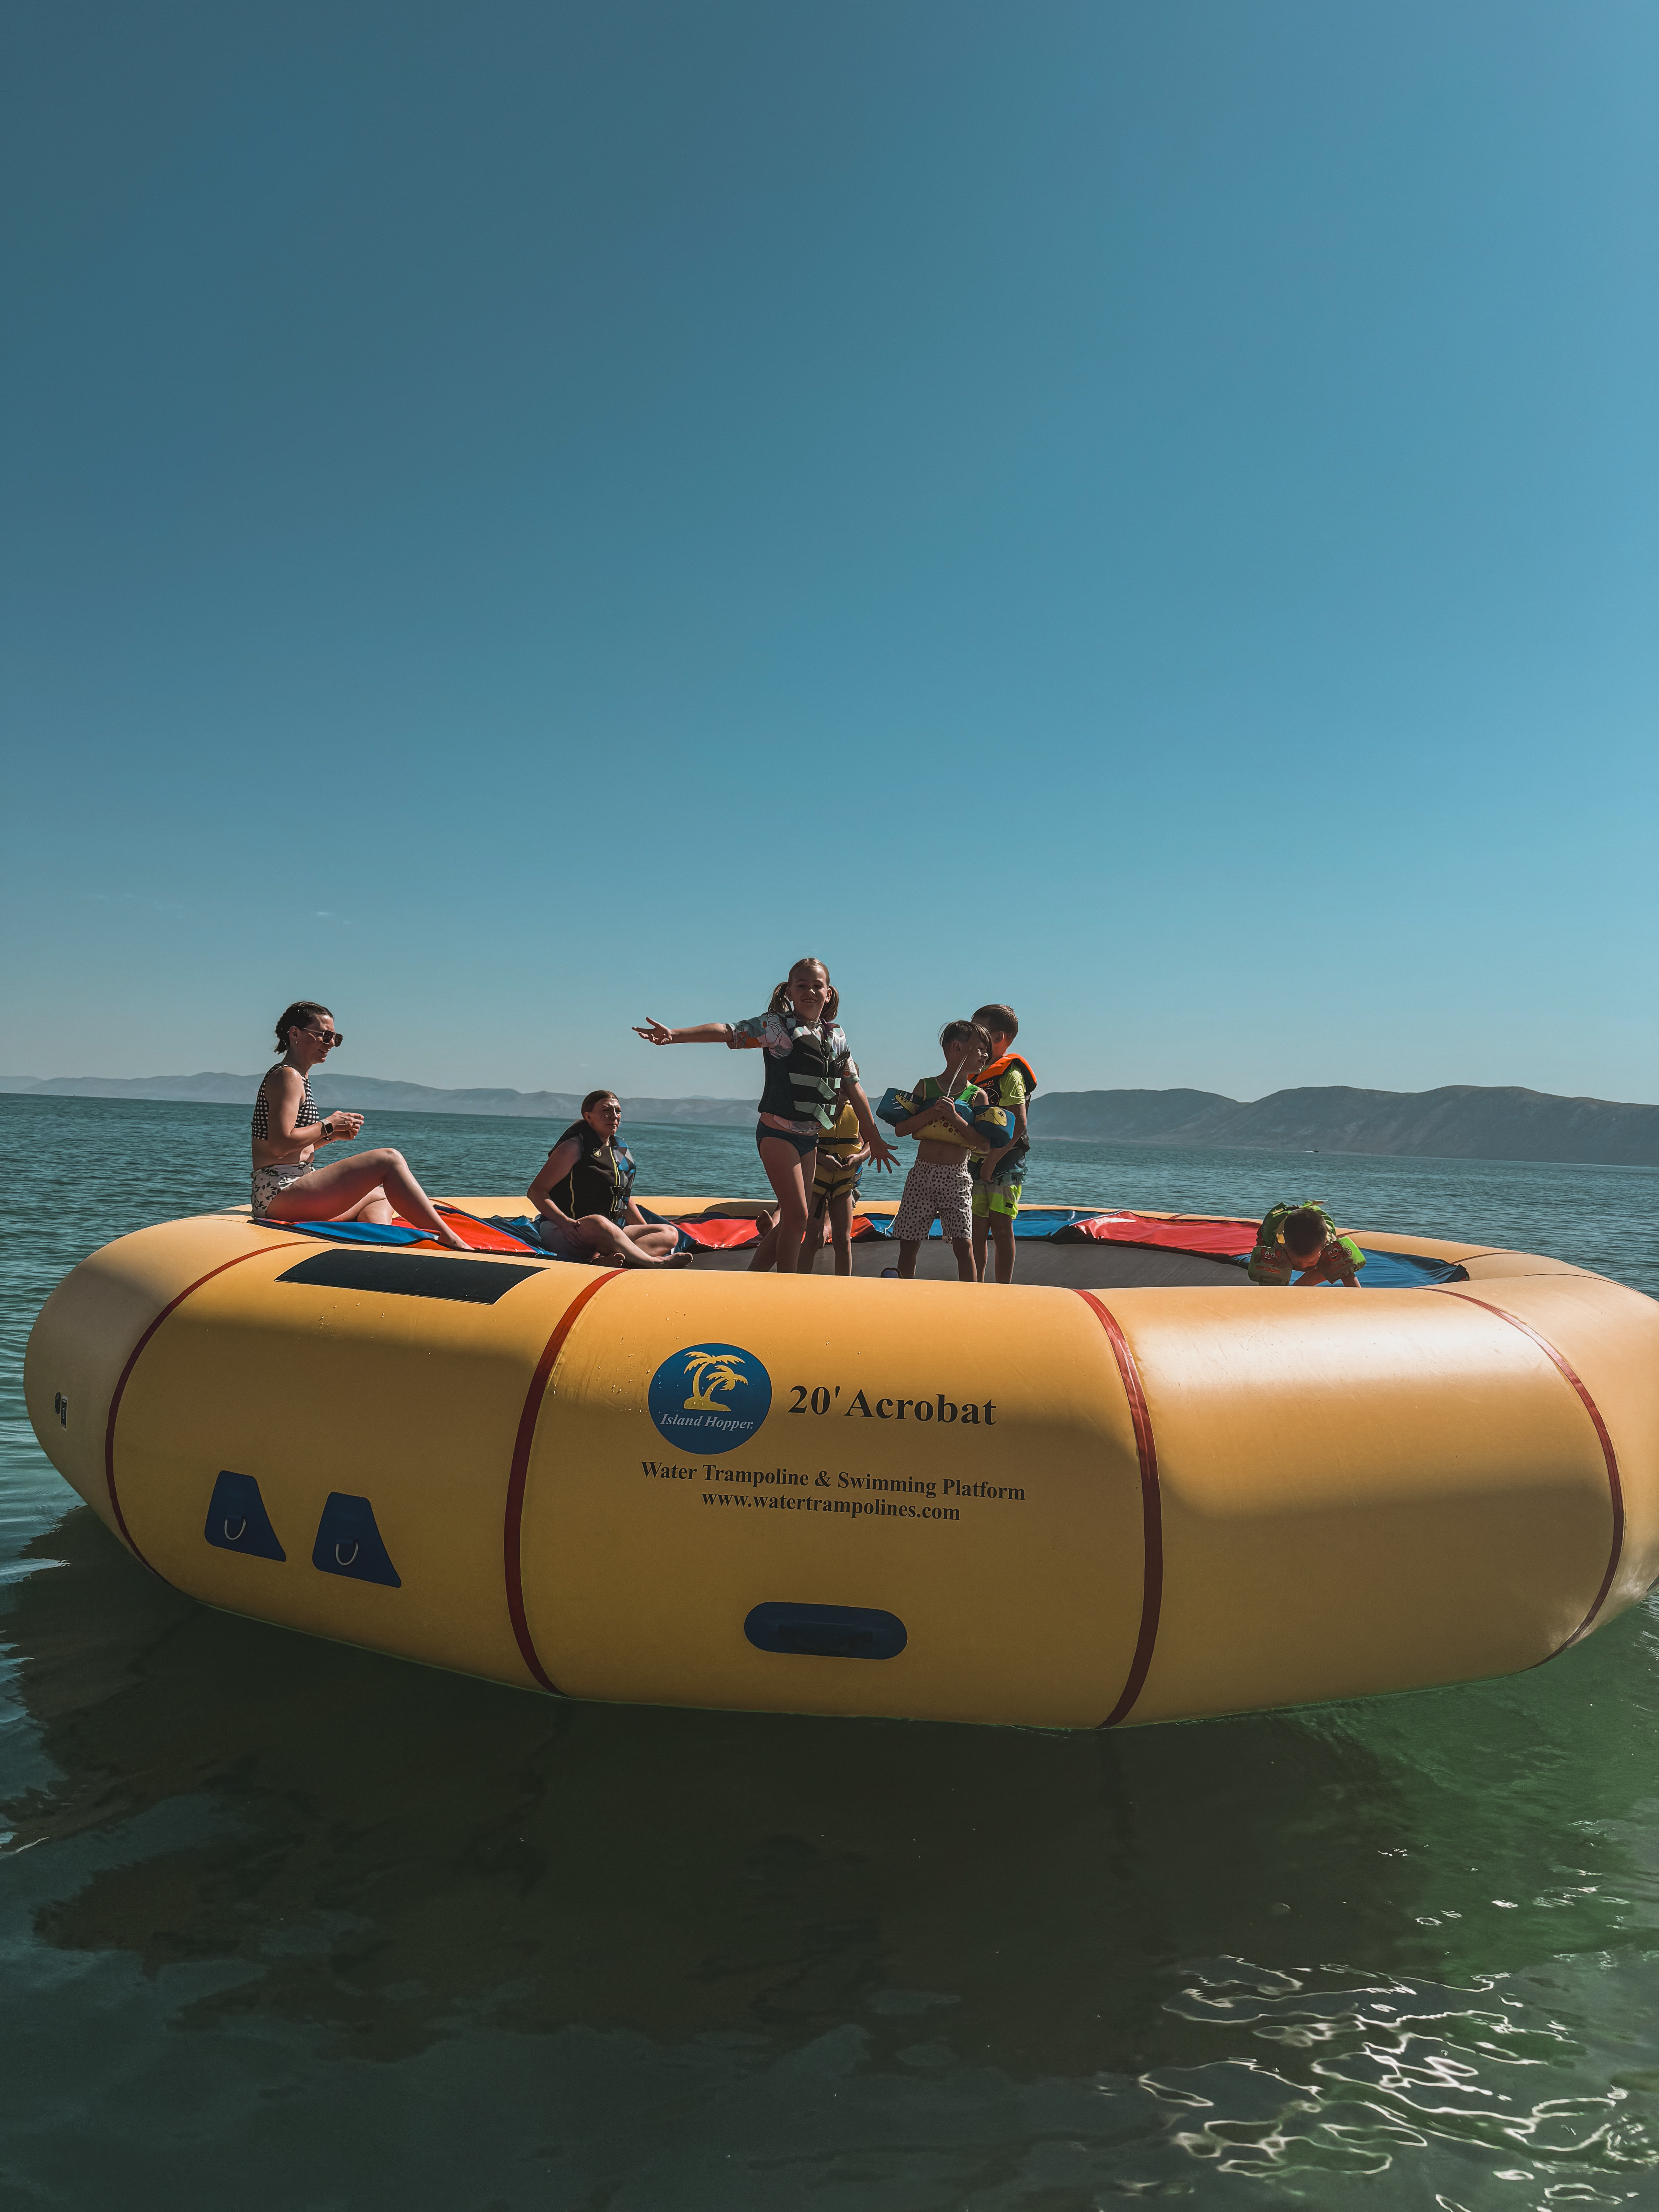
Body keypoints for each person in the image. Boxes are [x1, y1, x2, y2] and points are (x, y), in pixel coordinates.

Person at [633, 958, 897, 1274]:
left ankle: (755, 1275)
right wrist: (674, 1035)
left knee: (793, 1219)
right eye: (802, 985)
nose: (810, 991)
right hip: (777, 1134)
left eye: (818, 986)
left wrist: (875, 1140)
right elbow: (728, 1031)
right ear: (789, 991)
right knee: (798, 1216)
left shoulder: (836, 1037)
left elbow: (855, 1089)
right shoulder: (776, 1028)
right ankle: (787, 1284)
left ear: (829, 993)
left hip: (809, 1137)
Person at [251, 1001, 467, 1247]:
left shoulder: (297, 1076)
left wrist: (331, 1136)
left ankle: (381, 1244)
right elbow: (279, 1145)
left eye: (335, 1038)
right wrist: (328, 1124)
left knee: (384, 1195)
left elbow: (292, 1150)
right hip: (278, 1195)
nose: (331, 1044)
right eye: (325, 1036)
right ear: (295, 1034)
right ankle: (450, 1241)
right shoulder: (287, 1076)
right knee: (388, 1159)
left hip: (287, 1191)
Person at [524, 1092, 687, 1268]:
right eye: (606, 1110)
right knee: (598, 1222)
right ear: (588, 1117)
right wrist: (564, 1223)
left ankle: (608, 1260)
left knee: (669, 1232)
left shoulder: (620, 1150)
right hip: (568, 1232)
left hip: (609, 1231)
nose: (614, 1116)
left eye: (618, 1111)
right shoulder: (574, 1146)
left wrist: (645, 1230)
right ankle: (653, 1262)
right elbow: (536, 1191)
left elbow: (623, 1197)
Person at [889, 1021, 993, 1282]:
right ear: (957, 1047)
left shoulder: (977, 1096)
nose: (985, 1055)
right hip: (921, 1175)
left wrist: (955, 1118)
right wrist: (932, 1113)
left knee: (963, 1244)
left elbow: (984, 1144)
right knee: (909, 1243)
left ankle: (971, 1297)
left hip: (957, 1177)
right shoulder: (926, 1087)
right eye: (980, 1049)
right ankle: (903, 1291)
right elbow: (902, 1129)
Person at [747, 1088, 870, 1275]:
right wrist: (822, 1159)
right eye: (843, 1084)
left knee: (842, 1239)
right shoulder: (817, 1112)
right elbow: (804, 1145)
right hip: (816, 1183)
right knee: (811, 1237)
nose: (846, 1089)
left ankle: (844, 1283)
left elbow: (868, 1143)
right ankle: (800, 1277)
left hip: (843, 1185)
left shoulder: (855, 1112)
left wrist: (859, 1157)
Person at [968, 1003, 1037, 1286]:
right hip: (975, 1161)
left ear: (998, 1037)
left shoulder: (1011, 1074)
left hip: (1005, 1164)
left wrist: (992, 1162)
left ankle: (1003, 1288)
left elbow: (1019, 1124)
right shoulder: (973, 1073)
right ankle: (976, 1284)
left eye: (979, 1030)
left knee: (1001, 1227)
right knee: (976, 1230)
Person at [1247, 1202, 1366, 1288]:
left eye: (1311, 1262)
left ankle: (1300, 1285)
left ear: (1324, 1245)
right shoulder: (1276, 1243)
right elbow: (1263, 1272)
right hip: (1280, 1236)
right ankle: (1300, 1277)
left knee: (1339, 1265)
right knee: (1270, 1271)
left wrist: (1358, 1296)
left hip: (1318, 1242)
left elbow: (1347, 1273)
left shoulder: (1329, 1243)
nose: (1304, 1266)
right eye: (1298, 1263)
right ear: (1285, 1245)